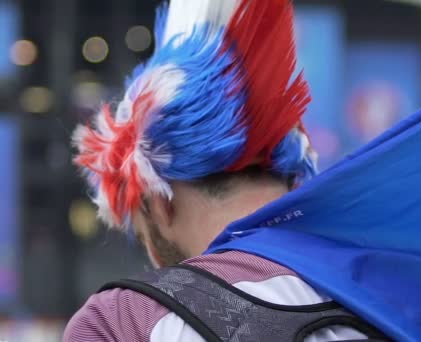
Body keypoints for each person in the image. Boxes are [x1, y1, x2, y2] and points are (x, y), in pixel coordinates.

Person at [63, 0, 386, 341]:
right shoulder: (386, 296)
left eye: (142, 234)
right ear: (294, 186)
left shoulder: (123, 320)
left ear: (160, 202)